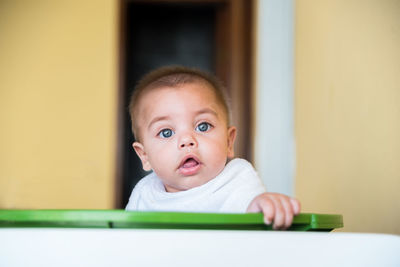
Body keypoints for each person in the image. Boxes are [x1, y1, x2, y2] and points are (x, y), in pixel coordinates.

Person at [125, 65, 300, 230]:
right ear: (144, 156)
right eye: (166, 132)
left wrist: (266, 206)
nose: (187, 140)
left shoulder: (236, 179)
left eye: (203, 126)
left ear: (229, 142)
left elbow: (253, 212)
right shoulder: (145, 194)